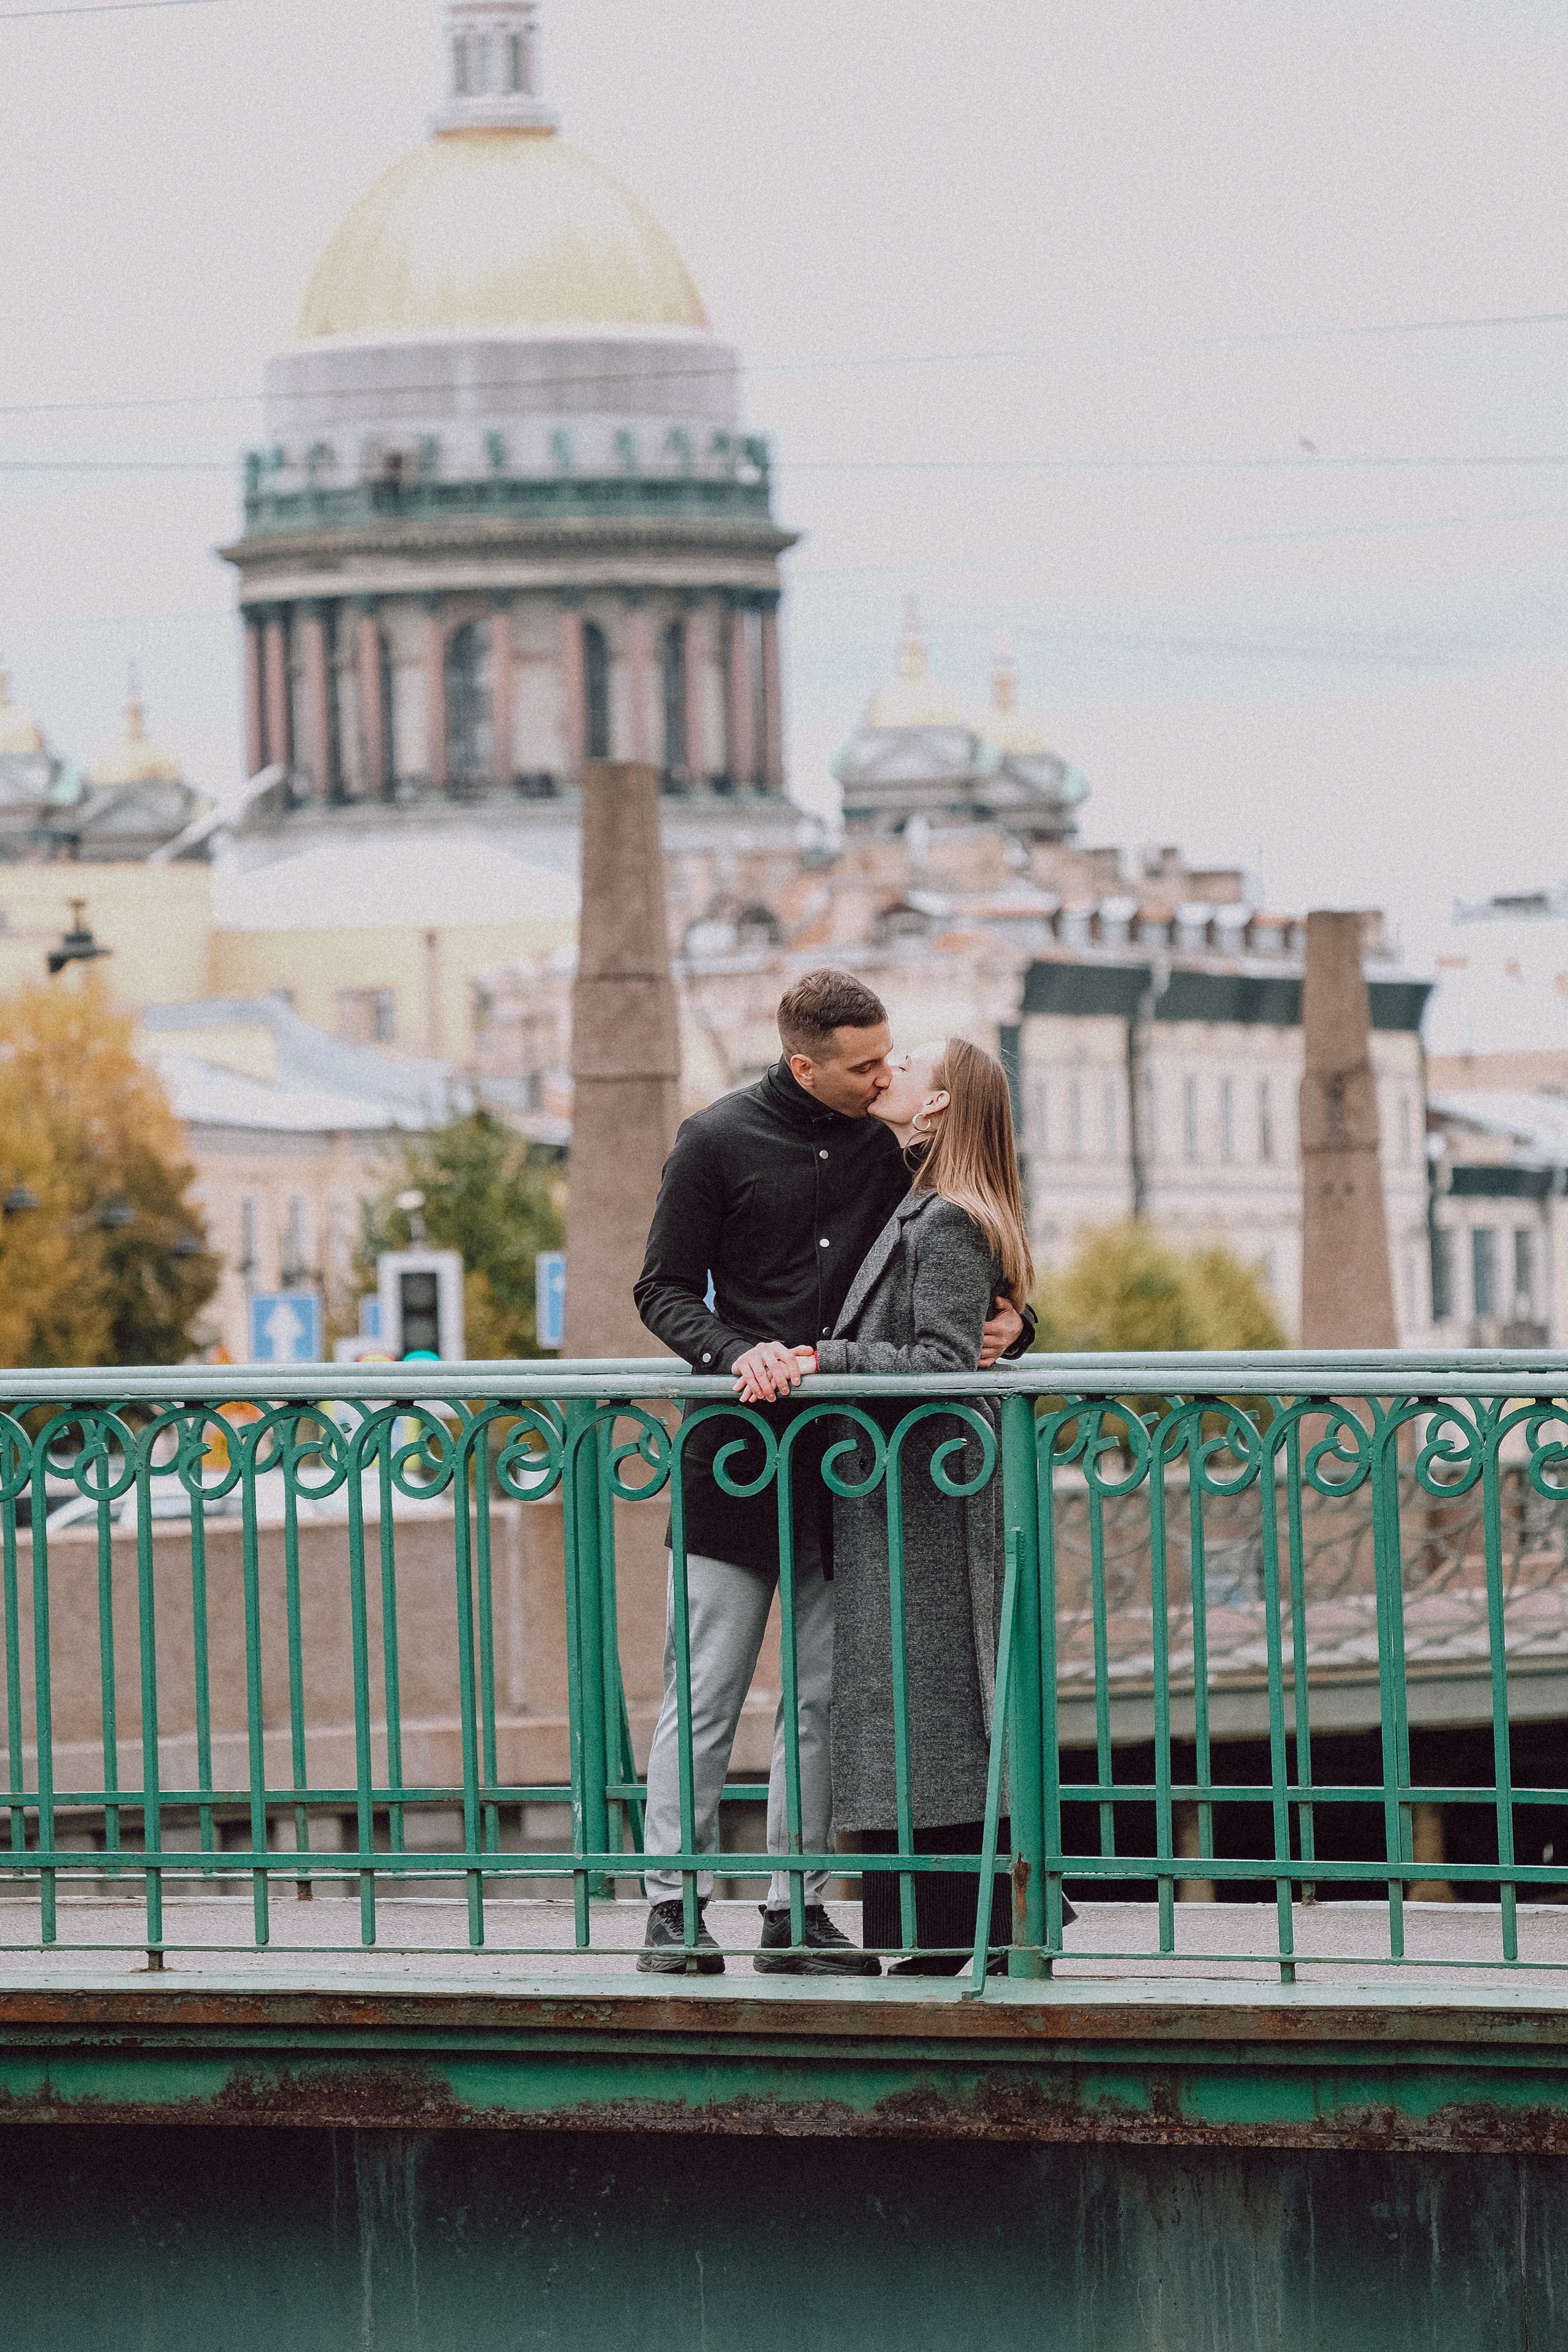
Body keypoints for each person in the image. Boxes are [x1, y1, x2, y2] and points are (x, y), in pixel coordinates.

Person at [633, 970, 1033, 1975]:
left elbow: (960, 1271)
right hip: (733, 1459)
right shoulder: (713, 1141)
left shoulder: (892, 1145)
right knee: (706, 1693)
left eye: (889, 1059)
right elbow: (663, 1290)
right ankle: (672, 1908)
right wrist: (738, 1353)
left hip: (852, 1475)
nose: (882, 1076)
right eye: (862, 1066)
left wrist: (1019, 1327)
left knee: (821, 1703)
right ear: (803, 1064)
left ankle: (796, 1913)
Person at [794, 1037, 1072, 1973]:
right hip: (908, 1492)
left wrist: (822, 1360)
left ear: (940, 1104)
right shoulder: (928, 1199)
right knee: (923, 1707)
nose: (889, 1072)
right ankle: (950, 1929)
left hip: (927, 1498)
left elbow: (940, 1362)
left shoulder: (948, 1217)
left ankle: (954, 1931)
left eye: (907, 1065)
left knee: (934, 1707)